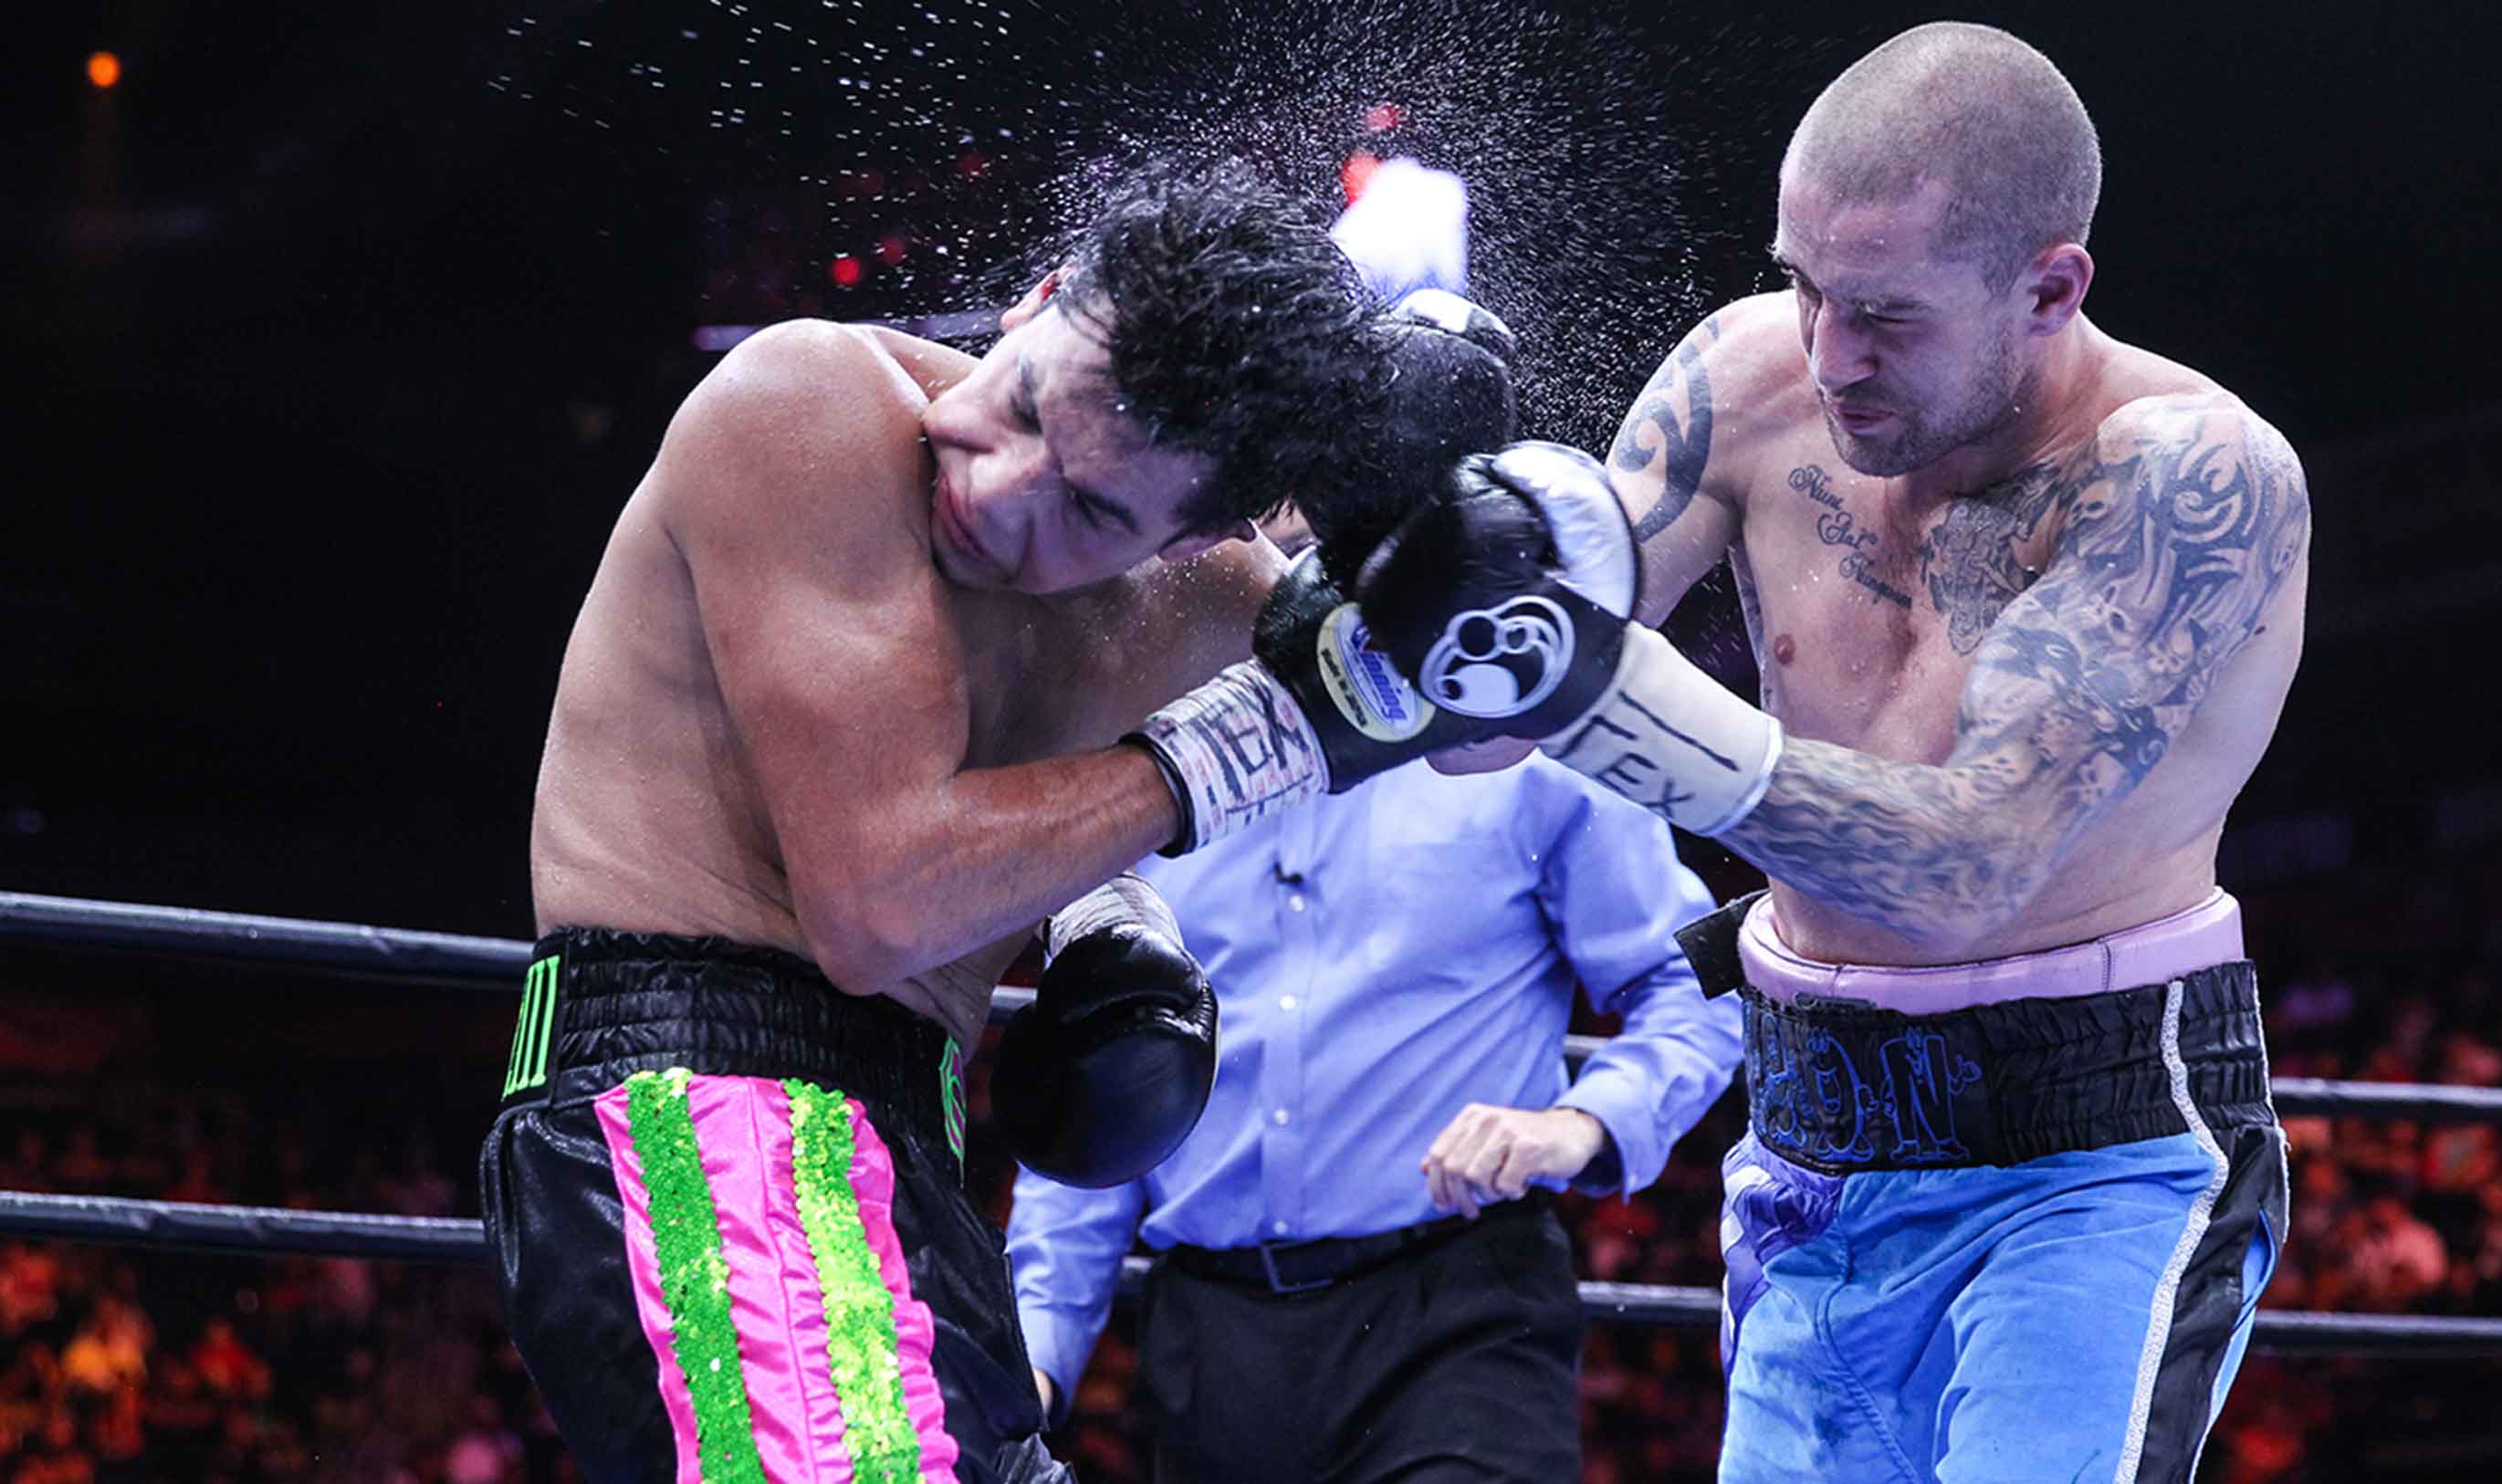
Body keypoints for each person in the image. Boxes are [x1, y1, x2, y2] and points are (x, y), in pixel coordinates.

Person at [1326, 21, 2308, 1484]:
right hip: (1810, 1139)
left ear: (2051, 286)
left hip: (2089, 1164)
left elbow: (1968, 861)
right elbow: (1478, 722)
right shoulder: (1748, 376)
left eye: (1887, 317)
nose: (1831, 356)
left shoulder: (2187, 476)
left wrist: (1592, 689)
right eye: (1805, 288)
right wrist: (1381, 539)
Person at [481, 158, 1518, 1484]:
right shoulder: (807, 408)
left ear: (1191, 539)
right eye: (1021, 403)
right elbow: (880, 905)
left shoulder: (1202, 605)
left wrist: (1443, 548)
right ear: (1032, 306)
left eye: (1088, 507)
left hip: (897, 1149)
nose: (998, 488)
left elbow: (1484, 733)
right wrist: (1232, 750)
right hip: (693, 1107)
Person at [1002, 507, 1742, 1484]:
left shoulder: (1515, 740)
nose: (1294, 531)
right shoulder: (1132, 767)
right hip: (1212, 1343)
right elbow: (1104, 1090)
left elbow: (1692, 986)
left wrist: (1582, 1123)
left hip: (1461, 1317)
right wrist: (1034, 1363)